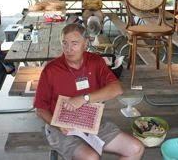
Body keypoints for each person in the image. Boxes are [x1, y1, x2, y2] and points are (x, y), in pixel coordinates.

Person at [34, 23, 144, 160]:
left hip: (90, 119)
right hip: (60, 125)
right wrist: (55, 123)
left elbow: (117, 88)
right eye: (65, 43)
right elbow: (40, 108)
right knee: (90, 158)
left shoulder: (95, 61)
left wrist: (83, 98)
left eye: (74, 43)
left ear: (86, 43)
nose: (68, 49)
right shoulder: (51, 69)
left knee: (135, 148)